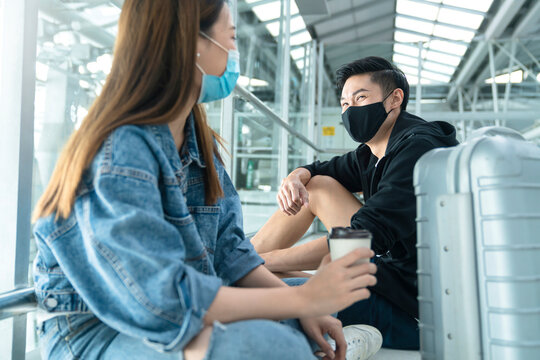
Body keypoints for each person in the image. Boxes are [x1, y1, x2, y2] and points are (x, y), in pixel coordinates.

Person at [31, 1, 383, 360]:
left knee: (311, 312)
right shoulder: (120, 150)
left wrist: (304, 305)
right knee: (273, 341)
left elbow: (229, 251)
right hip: (105, 328)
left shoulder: (197, 137)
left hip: (181, 304)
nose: (234, 52)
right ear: (192, 43)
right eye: (230, 38)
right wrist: (298, 301)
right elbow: (160, 300)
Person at [251, 56, 459, 350]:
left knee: (260, 286)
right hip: (391, 276)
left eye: (360, 98)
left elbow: (360, 240)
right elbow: (322, 170)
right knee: (317, 186)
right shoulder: (373, 152)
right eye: (345, 104)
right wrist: (295, 176)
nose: (350, 110)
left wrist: (257, 262)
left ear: (394, 99)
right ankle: (239, 266)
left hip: (417, 311)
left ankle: (240, 264)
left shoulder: (418, 147)